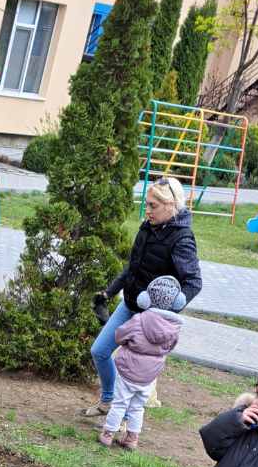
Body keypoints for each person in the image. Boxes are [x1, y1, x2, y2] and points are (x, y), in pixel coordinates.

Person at [86, 176, 202, 418]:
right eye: (146, 204)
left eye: (153, 206)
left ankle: (125, 422)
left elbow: (193, 282)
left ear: (170, 205)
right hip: (129, 304)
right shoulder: (147, 227)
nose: (147, 210)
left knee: (132, 371)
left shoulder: (182, 238)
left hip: (150, 319)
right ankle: (108, 400)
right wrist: (108, 292)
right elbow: (133, 266)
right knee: (99, 351)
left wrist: (171, 307)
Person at [99, 275, 184, 450]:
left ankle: (108, 434)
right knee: (137, 407)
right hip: (149, 376)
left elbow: (120, 336)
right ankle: (132, 438)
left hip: (128, 370)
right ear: (177, 302)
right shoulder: (174, 327)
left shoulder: (138, 319)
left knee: (120, 403)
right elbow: (170, 347)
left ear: (146, 299)